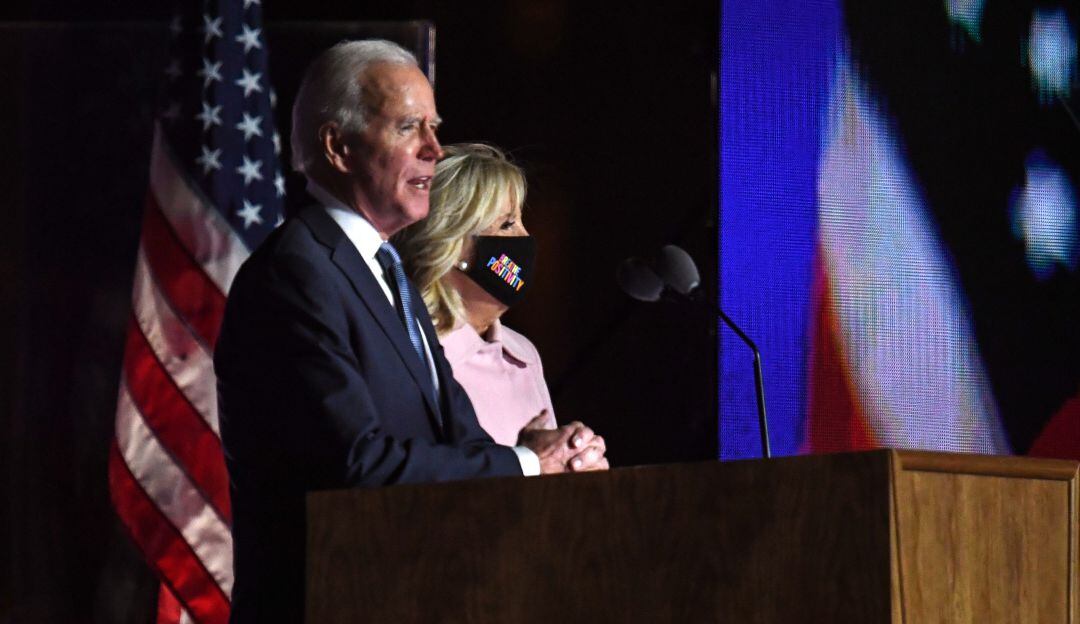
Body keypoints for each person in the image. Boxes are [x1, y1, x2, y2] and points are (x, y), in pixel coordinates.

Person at [214, 40, 607, 624]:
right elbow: (355, 464)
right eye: (407, 127)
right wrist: (525, 463)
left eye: (434, 127)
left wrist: (552, 457)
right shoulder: (296, 275)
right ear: (338, 147)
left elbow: (458, 436)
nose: (433, 149)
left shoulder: (384, 272)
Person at [394, 143, 557, 446]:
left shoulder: (523, 354)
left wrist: (575, 456)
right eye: (507, 224)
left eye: (521, 221)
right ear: (451, 246)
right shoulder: (413, 356)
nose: (525, 237)